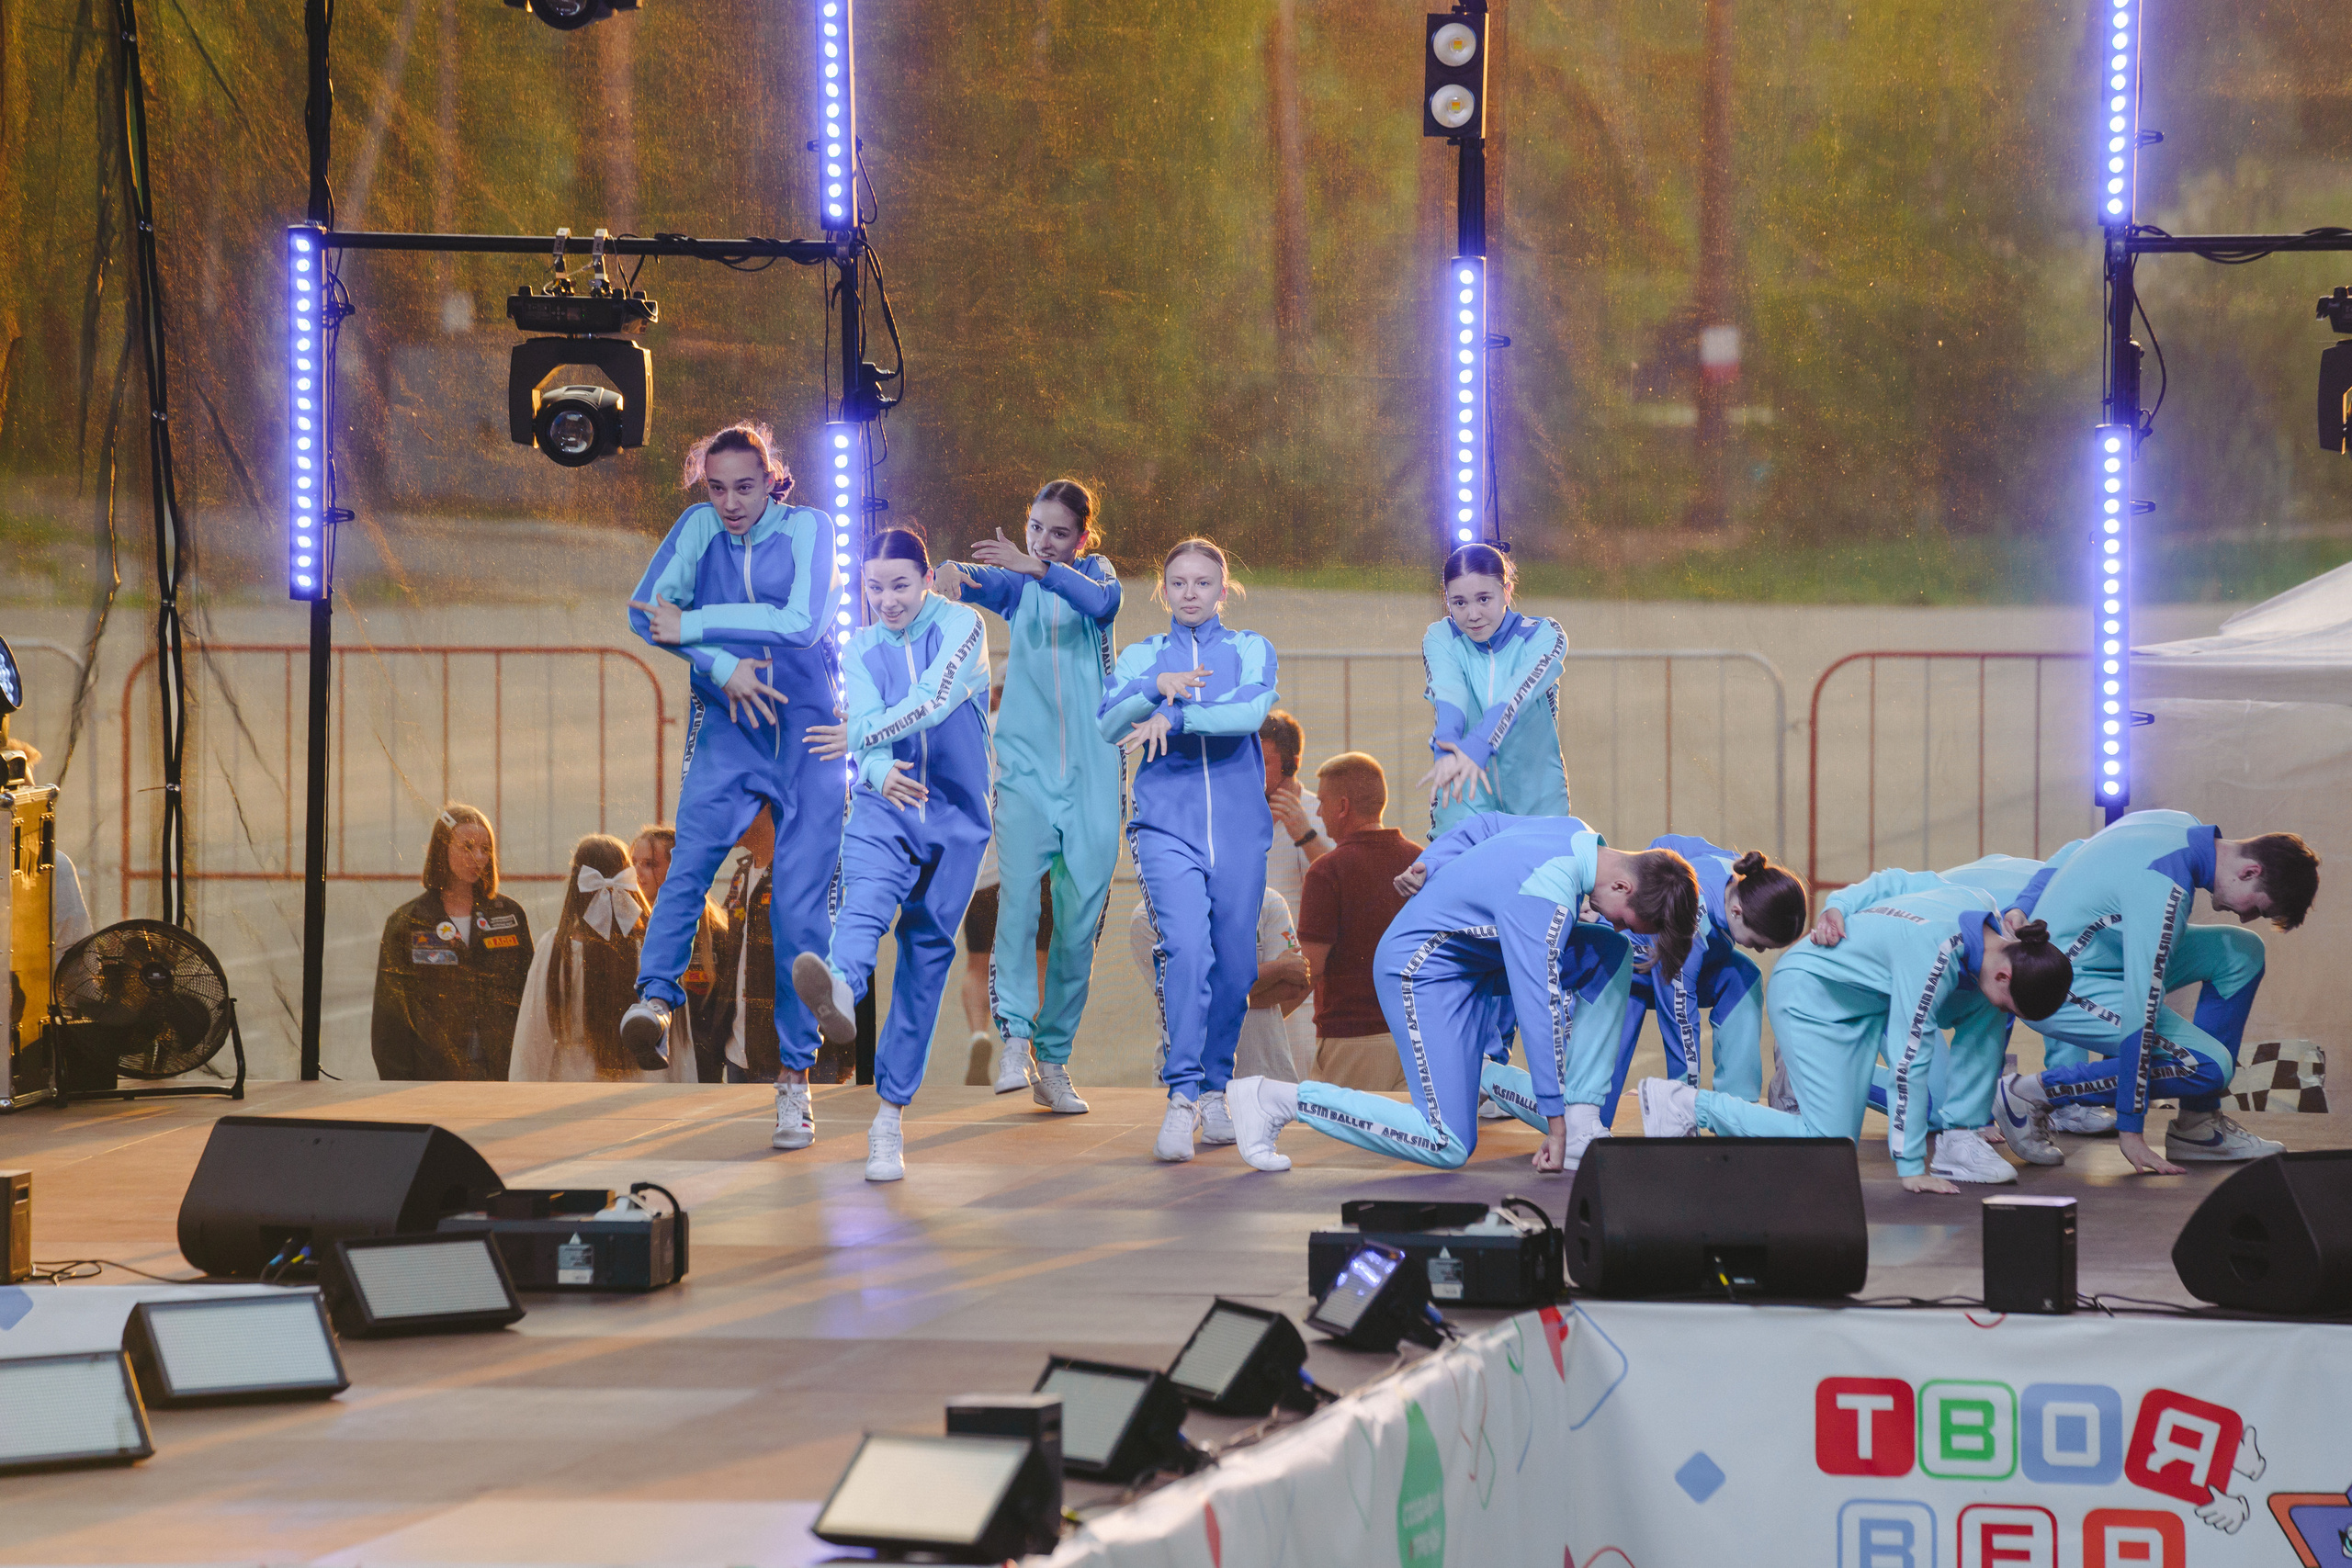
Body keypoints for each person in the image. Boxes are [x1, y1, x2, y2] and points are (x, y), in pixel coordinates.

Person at [1226, 813, 1702, 1175]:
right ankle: (1275, 1099)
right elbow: (1540, 1010)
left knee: (1613, 952)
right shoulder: (1547, 901)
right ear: (1622, 884)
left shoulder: (1573, 831)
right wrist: (1553, 1122)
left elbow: (1483, 823)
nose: (1615, 921)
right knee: (1447, 1143)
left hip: (1474, 968)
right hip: (1420, 973)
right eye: (1624, 916)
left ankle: (1577, 1115)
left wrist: (1429, 861)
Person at [622, 423, 842, 1145]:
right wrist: (723, 667)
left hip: (807, 732)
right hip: (729, 725)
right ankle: (654, 1000)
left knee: (799, 904)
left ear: (773, 476)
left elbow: (805, 622)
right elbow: (642, 612)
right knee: (688, 863)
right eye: (716, 487)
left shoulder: (810, 527)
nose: (729, 502)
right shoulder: (696, 529)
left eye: (744, 486)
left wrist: (698, 625)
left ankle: (795, 1078)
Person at [1641, 882, 2073, 1194]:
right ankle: (1683, 1104)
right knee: (1828, 1145)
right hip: (1812, 996)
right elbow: (1910, 1059)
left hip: (1868, 1003)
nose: (2005, 1011)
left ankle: (1960, 1139)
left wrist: (1842, 904)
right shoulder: (1934, 953)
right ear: (2004, 971)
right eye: (2009, 1001)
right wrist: (1909, 1167)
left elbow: (1896, 879)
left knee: (1984, 1011)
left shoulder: (1982, 901)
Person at [790, 528, 993, 1181]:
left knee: (926, 957)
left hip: (958, 816)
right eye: (874, 587)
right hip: (888, 803)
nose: (887, 599)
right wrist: (874, 771)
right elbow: (873, 723)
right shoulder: (859, 646)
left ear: (927, 579)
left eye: (900, 584)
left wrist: (855, 734)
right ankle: (843, 987)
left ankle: (889, 1120)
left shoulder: (964, 624)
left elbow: (933, 700)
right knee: (863, 900)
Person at [1988, 809, 2319, 1173]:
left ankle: (2198, 1126)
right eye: (2257, 908)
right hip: (2058, 984)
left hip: (2105, 959)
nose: (2244, 916)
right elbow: (2139, 1015)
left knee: (2242, 952)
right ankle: (2028, 1093)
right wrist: (2131, 1128)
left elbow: (2076, 849)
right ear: (2249, 871)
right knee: (2208, 1066)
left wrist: (2023, 903)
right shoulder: (2167, 889)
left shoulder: (2180, 822)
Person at [934, 479, 1119, 1113]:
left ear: (1084, 538)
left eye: (1059, 532)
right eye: (1035, 526)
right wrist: (944, 575)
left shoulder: (1096, 578)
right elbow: (979, 583)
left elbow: (1100, 603)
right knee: (1016, 904)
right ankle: (1012, 1036)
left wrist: (1035, 565)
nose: (1043, 540)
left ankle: (1054, 1057)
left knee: (1077, 925)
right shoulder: (1021, 588)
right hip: (1025, 772)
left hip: (1094, 774)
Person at [1100, 536, 1281, 1164]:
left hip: (1238, 831)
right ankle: (1180, 1097)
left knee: (1235, 966)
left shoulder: (1251, 648)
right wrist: (1154, 687)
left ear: (1223, 588)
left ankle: (1212, 1089)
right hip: (1164, 828)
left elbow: (1249, 711)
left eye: (1204, 582)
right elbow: (1107, 723)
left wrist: (1175, 717)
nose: (1191, 593)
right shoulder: (1143, 655)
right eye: (1179, 582)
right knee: (1185, 948)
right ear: (1164, 589)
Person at [1600, 839, 1809, 1122]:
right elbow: (1679, 1021)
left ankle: (1738, 1111)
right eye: (1758, 943)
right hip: (1622, 968)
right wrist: (1686, 1103)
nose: (1758, 950)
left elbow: (1666, 845)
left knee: (1743, 977)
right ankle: (1567, 1111)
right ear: (1737, 912)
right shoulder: (1693, 925)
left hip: (1670, 959)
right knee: (1593, 1113)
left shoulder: (1738, 871)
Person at [510, 835, 697, 1081]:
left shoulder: (557, 948)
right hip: (642, 1087)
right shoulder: (655, 949)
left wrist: (521, 1096)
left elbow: (533, 1038)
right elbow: (679, 1043)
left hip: (573, 1086)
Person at [370, 804, 535, 1080]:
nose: (478, 857)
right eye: (467, 847)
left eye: (486, 849)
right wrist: (399, 1088)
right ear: (441, 849)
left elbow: (529, 1001)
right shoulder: (406, 922)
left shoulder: (510, 915)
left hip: (502, 1074)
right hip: (432, 1077)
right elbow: (390, 1020)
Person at [1419, 543, 1570, 835]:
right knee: (1450, 873)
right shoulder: (1441, 637)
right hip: (1465, 790)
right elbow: (1449, 692)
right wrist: (1446, 750)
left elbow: (1515, 695)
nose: (1472, 614)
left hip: (1537, 798)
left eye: (1483, 599)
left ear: (1507, 591)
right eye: (1459, 603)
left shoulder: (1543, 634)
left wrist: (1477, 746)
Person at [1294, 751, 1422, 1089]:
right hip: (1419, 1036)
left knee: (1343, 1141)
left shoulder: (1326, 871)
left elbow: (1310, 968)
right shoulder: (1422, 861)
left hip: (1352, 1041)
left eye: (1322, 802)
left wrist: (1261, 1015)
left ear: (1343, 806)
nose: (1318, 811)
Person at [1127, 887, 1311, 1082]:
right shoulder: (1148, 917)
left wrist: (1212, 991)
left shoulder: (1269, 901)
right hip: (1190, 1081)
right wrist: (1277, 969)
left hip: (1266, 1074)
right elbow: (1186, 999)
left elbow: (1290, 988)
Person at [1260, 709, 1330, 1069]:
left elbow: (1337, 886)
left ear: (1292, 763)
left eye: (1267, 761)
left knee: (1296, 1092)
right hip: (1252, 982)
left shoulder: (1319, 813)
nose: (1255, 770)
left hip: (1300, 989)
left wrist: (1305, 834)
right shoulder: (1241, 812)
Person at [629, 824, 728, 1077]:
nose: (637, 872)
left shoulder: (715, 933)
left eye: (650, 864)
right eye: (633, 863)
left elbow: (726, 1013)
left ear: (677, 870)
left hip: (700, 1072)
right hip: (648, 1073)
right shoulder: (629, 930)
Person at [3, 743, 92, 953]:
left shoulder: (53, 866)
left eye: (29, 792)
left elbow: (74, 954)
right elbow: (75, 960)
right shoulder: (53, 865)